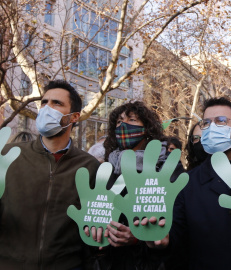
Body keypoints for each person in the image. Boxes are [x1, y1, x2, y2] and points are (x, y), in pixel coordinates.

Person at [146, 97, 231, 270]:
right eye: (206, 123)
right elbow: (177, 240)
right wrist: (162, 243)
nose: (211, 128)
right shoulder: (186, 184)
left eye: (221, 121)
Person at [0, 80, 100, 269]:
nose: (47, 108)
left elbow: (95, 223)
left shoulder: (89, 166)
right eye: (44, 102)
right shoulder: (8, 155)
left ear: (74, 117)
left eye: (57, 103)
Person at [98, 101, 183, 270]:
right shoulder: (107, 170)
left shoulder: (168, 168)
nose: (123, 125)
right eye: (119, 122)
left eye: (132, 120)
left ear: (147, 129)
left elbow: (180, 225)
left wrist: (139, 238)